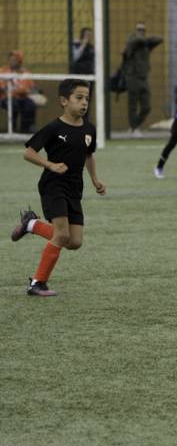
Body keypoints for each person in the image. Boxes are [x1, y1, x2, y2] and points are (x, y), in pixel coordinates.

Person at [9, 78, 106, 296]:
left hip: (74, 188)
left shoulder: (89, 129)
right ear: (64, 101)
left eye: (87, 98)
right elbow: (29, 153)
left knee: (74, 242)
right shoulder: (54, 128)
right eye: (79, 98)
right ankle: (37, 283)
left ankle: (31, 224)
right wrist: (50, 165)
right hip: (53, 185)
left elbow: (88, 155)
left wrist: (95, 180)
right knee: (62, 235)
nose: (84, 102)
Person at [124, 22, 163, 136]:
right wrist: (142, 38)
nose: (141, 32)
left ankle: (134, 126)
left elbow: (160, 39)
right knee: (133, 105)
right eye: (139, 29)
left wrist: (146, 40)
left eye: (143, 30)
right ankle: (134, 128)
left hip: (143, 78)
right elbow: (134, 41)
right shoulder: (131, 42)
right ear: (135, 31)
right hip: (132, 77)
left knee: (147, 107)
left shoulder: (146, 45)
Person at [0, 50, 38, 133]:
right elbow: (2, 87)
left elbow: (27, 89)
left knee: (30, 104)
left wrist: (15, 90)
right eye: (10, 59)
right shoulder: (3, 71)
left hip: (22, 97)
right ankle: (12, 129)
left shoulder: (26, 73)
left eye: (14, 60)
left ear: (20, 61)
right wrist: (14, 90)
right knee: (13, 104)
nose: (12, 61)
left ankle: (26, 129)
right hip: (5, 97)